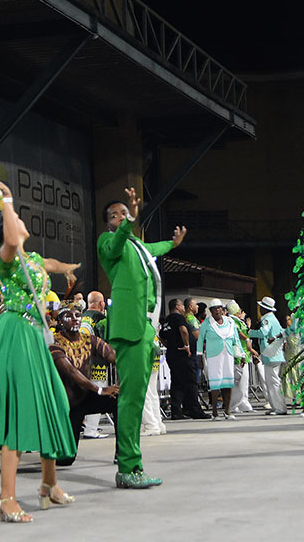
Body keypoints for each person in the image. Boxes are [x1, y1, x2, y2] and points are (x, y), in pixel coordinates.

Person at [0, 182, 79, 523]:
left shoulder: (32, 258)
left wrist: (66, 267)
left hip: (35, 335)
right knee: (20, 412)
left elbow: (48, 264)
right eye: (16, 217)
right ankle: (6, 497)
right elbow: (10, 240)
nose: (22, 221)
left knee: (55, 402)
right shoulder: (6, 258)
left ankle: (48, 484)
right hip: (15, 333)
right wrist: (6, 201)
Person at [98, 187, 186, 489]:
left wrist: (172, 244)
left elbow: (154, 249)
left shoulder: (137, 246)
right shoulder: (109, 242)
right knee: (131, 400)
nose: (120, 217)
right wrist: (129, 221)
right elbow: (117, 244)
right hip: (130, 328)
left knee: (135, 398)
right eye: (115, 215)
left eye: (124, 212)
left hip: (144, 328)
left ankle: (132, 465)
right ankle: (128, 467)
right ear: (108, 223)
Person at [49, 305, 118, 466]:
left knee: (118, 400)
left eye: (77, 315)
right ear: (60, 321)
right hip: (66, 404)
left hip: (85, 397)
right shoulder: (54, 342)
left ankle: (122, 452)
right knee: (66, 460)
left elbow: (114, 356)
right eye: (69, 316)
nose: (74, 318)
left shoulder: (90, 340)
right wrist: (100, 389)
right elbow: (71, 371)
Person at [196, 299, 241, 420]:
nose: (217, 310)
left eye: (219, 308)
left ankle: (227, 411)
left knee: (228, 383)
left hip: (228, 355)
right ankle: (214, 412)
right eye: (214, 308)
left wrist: (240, 354)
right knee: (216, 383)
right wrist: (199, 356)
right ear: (210, 311)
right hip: (214, 356)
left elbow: (235, 338)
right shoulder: (206, 323)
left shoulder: (230, 321)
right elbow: (200, 340)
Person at [249, 296, 289, 415]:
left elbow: (263, 333)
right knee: (272, 382)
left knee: (273, 382)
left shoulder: (267, 320)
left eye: (261, 307)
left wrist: (249, 332)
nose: (260, 309)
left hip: (271, 355)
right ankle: (275, 406)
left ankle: (280, 408)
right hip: (274, 355)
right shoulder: (273, 319)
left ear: (265, 308)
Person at [79, 290, 110, 438]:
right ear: (101, 303)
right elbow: (105, 338)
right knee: (98, 392)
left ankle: (84, 426)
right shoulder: (100, 317)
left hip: (81, 361)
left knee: (84, 394)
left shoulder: (81, 316)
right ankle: (91, 430)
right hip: (97, 362)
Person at [227, 301, 259, 413]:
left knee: (244, 381)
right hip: (239, 354)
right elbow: (240, 334)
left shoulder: (237, 321)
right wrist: (247, 342)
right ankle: (235, 404)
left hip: (244, 353)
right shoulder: (233, 321)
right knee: (240, 381)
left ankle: (243, 403)